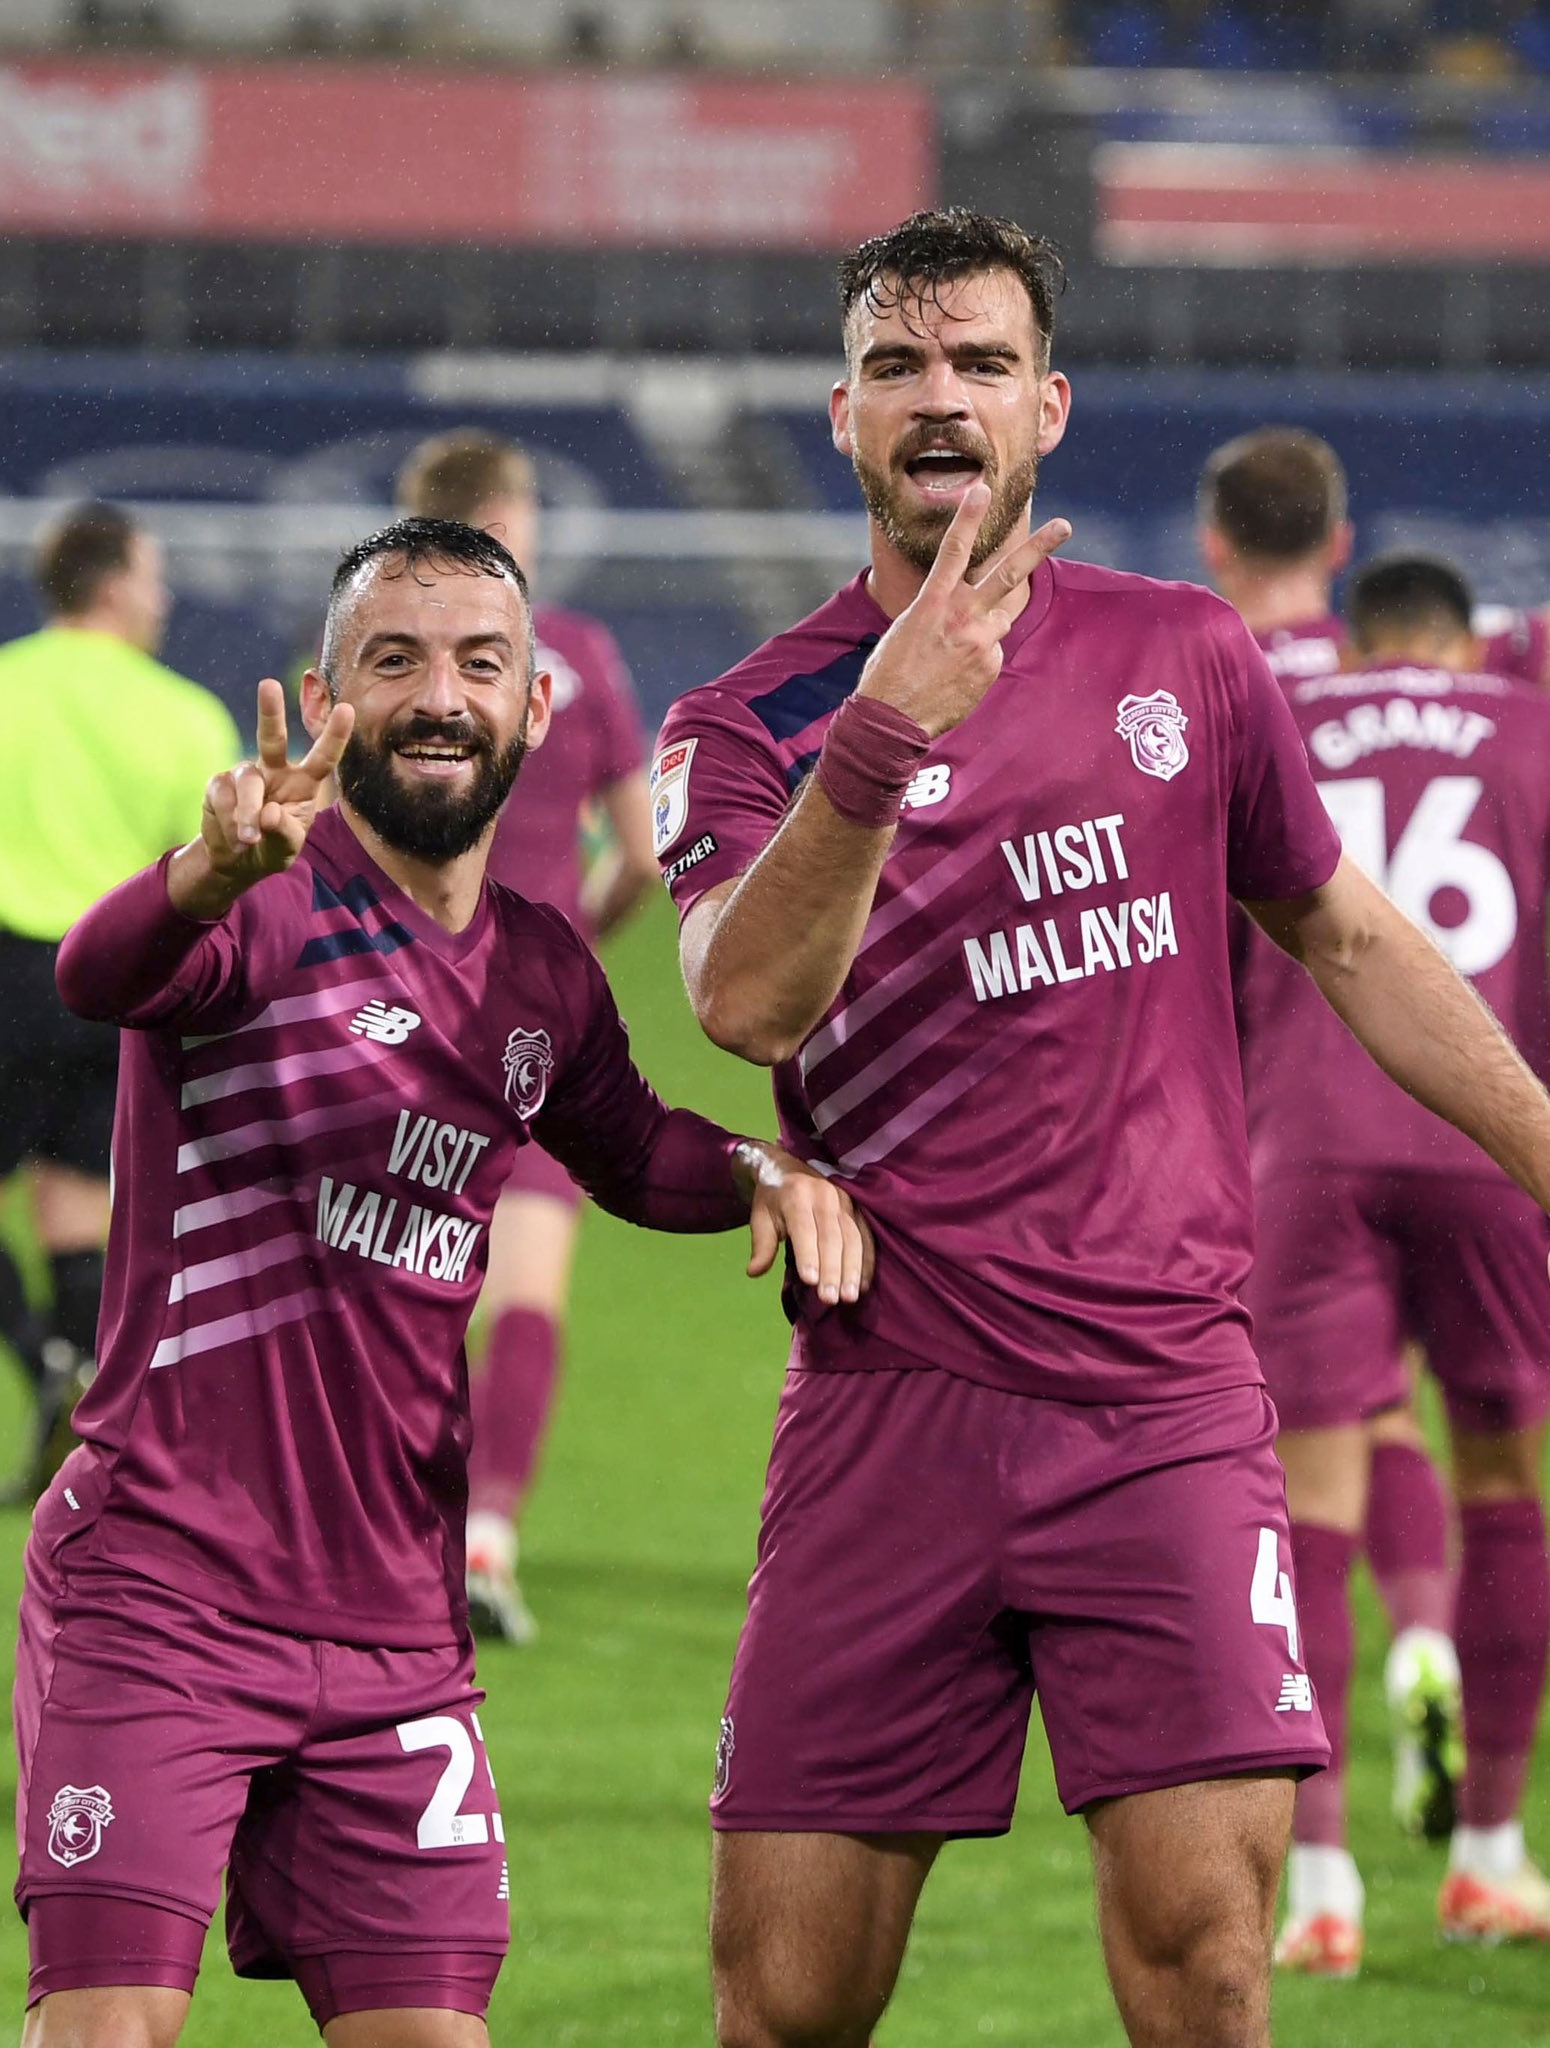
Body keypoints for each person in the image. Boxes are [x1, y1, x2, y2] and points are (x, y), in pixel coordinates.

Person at [651, 207, 1550, 2048]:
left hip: (1161, 1405)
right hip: (886, 1409)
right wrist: (880, 741)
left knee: (1208, 1963)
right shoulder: (745, 720)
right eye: (897, 364)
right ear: (840, 417)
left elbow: (1352, 935)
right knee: (785, 1999)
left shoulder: (1185, 653)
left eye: (979, 361)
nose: (939, 395)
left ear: (1045, 407)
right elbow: (742, 1002)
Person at [17, 516, 869, 2047]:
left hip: (395, 1634)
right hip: (163, 1591)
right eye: (393, 660)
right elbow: (102, 976)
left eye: (481, 662)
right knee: (103, 2034)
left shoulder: (540, 972)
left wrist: (763, 1172)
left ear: (538, 703)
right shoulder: (272, 903)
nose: (439, 695)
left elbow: (634, 1147)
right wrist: (204, 870)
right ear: (328, 698)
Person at [1238, 550, 1550, 1972]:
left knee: (1309, 1500)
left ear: (1354, 640)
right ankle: (1488, 1852)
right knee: (1498, 1475)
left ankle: (1316, 1887)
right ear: (1465, 643)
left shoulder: (1290, 718)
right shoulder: (1527, 727)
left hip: (1308, 1140)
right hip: (1490, 1138)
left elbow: (1233, 951)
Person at [1198, 427, 1463, 1840]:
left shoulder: (1209, 684)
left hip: (1253, 1114)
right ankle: (1426, 1635)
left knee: (1297, 1446)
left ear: (1214, 545)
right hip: (1409, 1083)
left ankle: (1316, 1848)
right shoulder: (1397, 690)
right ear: (1340, 543)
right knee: (1386, 1399)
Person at [0, 500, 239, 1503]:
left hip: (20, 975)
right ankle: (76, 1443)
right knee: (76, 1208)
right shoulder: (188, 714)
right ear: (110, 585)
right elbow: (223, 868)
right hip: (132, 984)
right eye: (152, 575)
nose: (164, 595)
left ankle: (44, 1365)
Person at [397, 429, 655, 1642]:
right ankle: (489, 1532)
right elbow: (644, 851)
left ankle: (375, 1535)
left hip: (398, 996)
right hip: (536, 1015)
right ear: (509, 518)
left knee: (389, 1269)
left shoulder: (381, 659)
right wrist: (578, 938)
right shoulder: (582, 656)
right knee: (532, 1279)